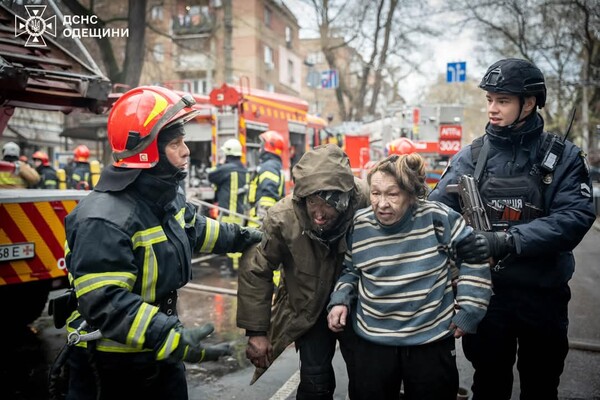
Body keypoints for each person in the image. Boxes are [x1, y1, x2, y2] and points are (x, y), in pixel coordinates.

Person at [59, 86, 263, 400]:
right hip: (111, 365)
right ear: (147, 150)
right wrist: (167, 334)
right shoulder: (102, 219)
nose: (186, 151)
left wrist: (241, 237)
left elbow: (194, 229)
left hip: (156, 349)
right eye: (176, 143)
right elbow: (105, 301)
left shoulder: (158, 199)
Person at [428, 58, 596, 400]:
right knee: (489, 383)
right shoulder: (471, 156)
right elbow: (437, 215)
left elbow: (575, 216)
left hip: (543, 295)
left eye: (502, 101)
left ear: (529, 102)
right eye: (490, 99)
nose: (492, 108)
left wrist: (506, 241)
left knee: (541, 384)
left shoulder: (561, 156)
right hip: (489, 297)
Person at [326, 153, 493, 400]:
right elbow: (351, 270)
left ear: (412, 195)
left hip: (430, 343)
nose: (381, 203)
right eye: (375, 193)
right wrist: (340, 299)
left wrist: (470, 310)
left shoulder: (440, 219)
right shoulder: (359, 225)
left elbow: (474, 259)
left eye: (392, 194)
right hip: (373, 345)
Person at [237, 144, 370, 399]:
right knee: (315, 381)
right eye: (312, 202)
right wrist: (256, 332)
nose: (319, 214)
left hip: (357, 305)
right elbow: (256, 270)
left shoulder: (366, 200)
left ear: (345, 199)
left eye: (328, 205)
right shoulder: (282, 219)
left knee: (368, 380)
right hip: (308, 308)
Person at [208, 138, 250, 276]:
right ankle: (237, 268)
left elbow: (211, 176)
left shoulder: (225, 169)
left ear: (227, 154)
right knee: (238, 240)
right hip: (241, 212)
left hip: (229, 213)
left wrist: (219, 165)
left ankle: (232, 269)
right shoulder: (244, 169)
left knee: (229, 241)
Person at [247, 130, 286, 228]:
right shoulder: (273, 165)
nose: (260, 149)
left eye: (262, 145)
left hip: (258, 224)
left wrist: (262, 223)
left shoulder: (269, 167)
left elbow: (268, 195)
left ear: (269, 146)